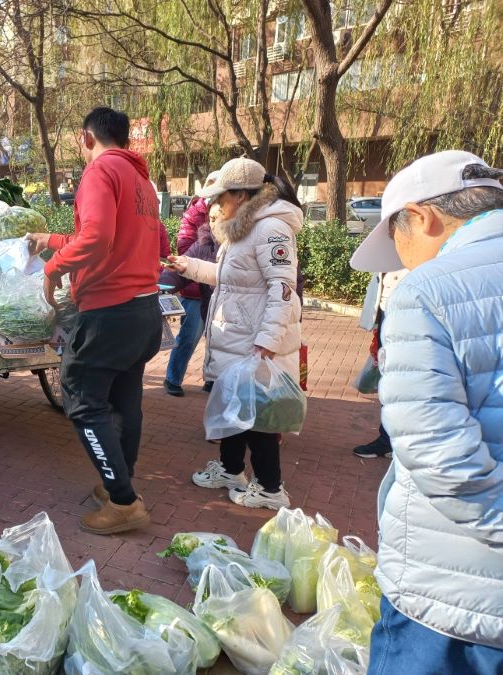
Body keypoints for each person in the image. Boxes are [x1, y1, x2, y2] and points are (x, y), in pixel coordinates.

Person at [348, 150, 503, 673]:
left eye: (400, 245)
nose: (403, 265)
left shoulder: (429, 290)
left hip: (455, 601)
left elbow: (440, 458)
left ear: (422, 217)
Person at [26, 107, 162, 535]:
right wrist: (50, 241)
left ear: (87, 138)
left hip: (107, 312)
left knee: (83, 401)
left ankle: (123, 502)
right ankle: (118, 484)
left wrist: (53, 268)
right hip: (143, 310)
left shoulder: (99, 172)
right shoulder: (142, 181)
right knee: (126, 403)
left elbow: (98, 237)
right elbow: (113, 238)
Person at [168, 158, 304, 510]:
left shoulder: (271, 229)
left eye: (220, 197)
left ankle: (271, 489)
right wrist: (190, 266)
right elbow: (231, 277)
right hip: (237, 336)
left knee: (258, 417)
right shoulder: (242, 228)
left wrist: (267, 342)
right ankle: (231, 470)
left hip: (254, 339)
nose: (215, 205)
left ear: (242, 195)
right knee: (232, 406)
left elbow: (283, 288)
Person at [162, 172, 220, 396]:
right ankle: (173, 378)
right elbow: (187, 252)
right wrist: (158, 287)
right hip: (196, 290)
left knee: (216, 339)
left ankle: (212, 378)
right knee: (189, 336)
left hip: (219, 292)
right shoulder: (196, 215)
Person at [352, 269, 407, 458]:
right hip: (387, 310)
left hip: (406, 312)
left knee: (403, 382)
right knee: (389, 380)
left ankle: (397, 442)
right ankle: (388, 440)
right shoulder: (388, 246)